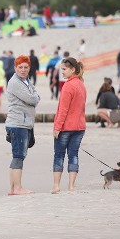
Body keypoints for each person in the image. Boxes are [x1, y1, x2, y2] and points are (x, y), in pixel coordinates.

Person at [4, 55, 41, 195]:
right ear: (15, 68)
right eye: (20, 67)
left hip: (24, 124)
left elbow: (36, 95)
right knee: (19, 156)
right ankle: (18, 188)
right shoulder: (15, 82)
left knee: (17, 155)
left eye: (26, 67)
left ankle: (13, 188)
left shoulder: (26, 81)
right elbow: (32, 98)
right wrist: (35, 97)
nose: (23, 70)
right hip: (18, 123)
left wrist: (35, 97)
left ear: (29, 68)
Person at [52, 57, 87, 193]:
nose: (62, 72)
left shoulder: (68, 86)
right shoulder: (81, 84)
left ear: (73, 69)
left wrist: (57, 128)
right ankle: (71, 186)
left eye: (64, 69)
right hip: (79, 127)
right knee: (73, 155)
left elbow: (63, 110)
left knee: (59, 155)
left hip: (66, 127)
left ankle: (56, 186)